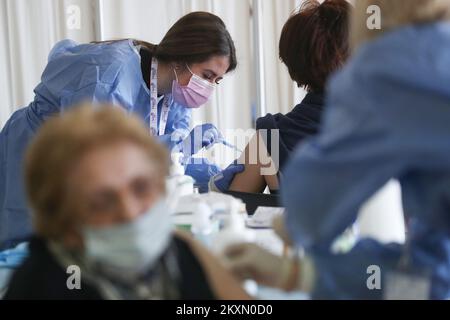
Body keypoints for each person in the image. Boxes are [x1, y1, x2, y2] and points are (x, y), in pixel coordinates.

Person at [224, 0, 450, 299]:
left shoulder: (387, 78)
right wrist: (301, 274)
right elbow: (429, 280)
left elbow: (257, 205)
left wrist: (296, 269)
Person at [0, 11, 237, 250]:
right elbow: (96, 155)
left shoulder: (175, 91)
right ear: (181, 57)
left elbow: (156, 153)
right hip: (39, 150)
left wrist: (204, 174)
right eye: (207, 75)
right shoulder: (113, 73)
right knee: (28, 246)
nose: (207, 87)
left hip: (86, 160)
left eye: (216, 81)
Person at [4, 105, 250, 300]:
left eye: (141, 188)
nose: (131, 212)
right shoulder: (42, 285)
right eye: (102, 202)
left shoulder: (178, 251)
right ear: (61, 219)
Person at [209, 0, 350, 194]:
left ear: (293, 63)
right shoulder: (388, 125)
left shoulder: (271, 138)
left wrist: (213, 189)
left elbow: (236, 210)